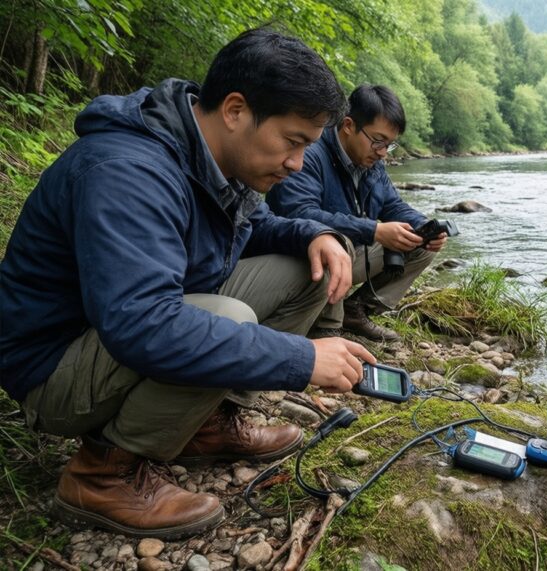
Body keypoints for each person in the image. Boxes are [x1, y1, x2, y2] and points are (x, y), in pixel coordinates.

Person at [0, 28, 377, 540]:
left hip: (123, 328)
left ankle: (203, 425)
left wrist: (316, 233)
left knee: (304, 270)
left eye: (307, 149)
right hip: (53, 371)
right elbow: (144, 325)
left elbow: (253, 229)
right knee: (227, 318)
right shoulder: (129, 170)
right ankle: (103, 473)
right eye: (292, 143)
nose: (296, 164)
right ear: (236, 110)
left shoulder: (213, 155)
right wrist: (303, 359)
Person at [267, 84, 446, 342]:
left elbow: (392, 205)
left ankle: (356, 310)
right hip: (298, 257)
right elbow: (298, 213)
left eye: (390, 145)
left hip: (347, 254)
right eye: (378, 141)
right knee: (335, 241)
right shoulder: (310, 153)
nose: (383, 152)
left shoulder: (372, 163)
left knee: (419, 245)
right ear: (349, 125)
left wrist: (424, 226)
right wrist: (374, 230)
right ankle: (326, 327)